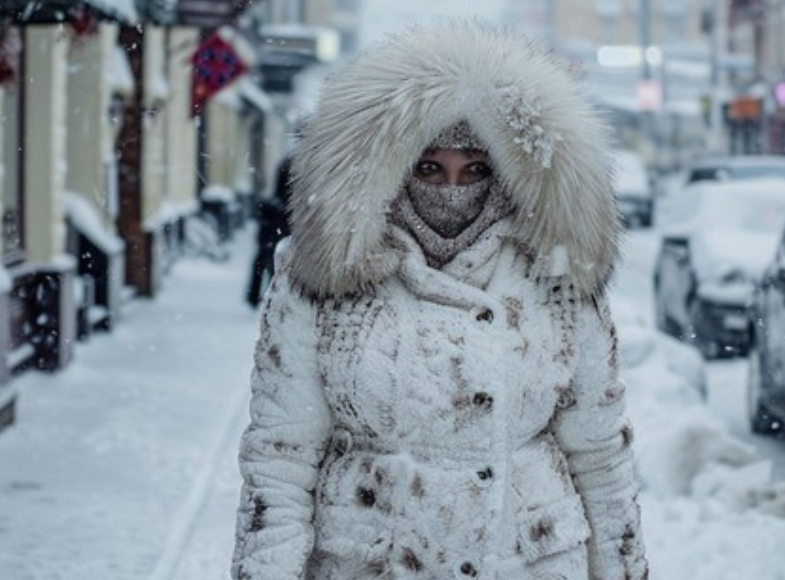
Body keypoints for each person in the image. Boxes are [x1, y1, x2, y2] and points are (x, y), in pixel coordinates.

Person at [232, 19, 648, 580]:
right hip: (372, 561)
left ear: (505, 173)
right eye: (430, 167)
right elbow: (281, 460)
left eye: (475, 170)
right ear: (395, 171)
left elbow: (601, 457)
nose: (452, 189)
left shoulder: (556, 274)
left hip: (527, 560)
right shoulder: (329, 276)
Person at [246, 155, 293, 308]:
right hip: (279, 221)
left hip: (273, 221)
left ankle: (257, 295)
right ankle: (272, 296)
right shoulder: (293, 163)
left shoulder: (288, 162)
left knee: (264, 260)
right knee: (275, 261)